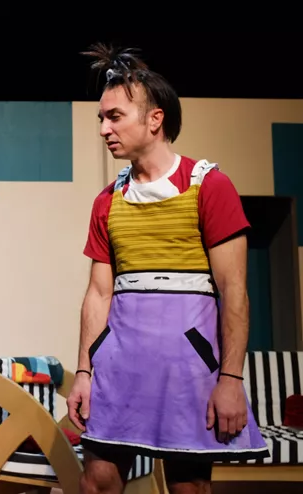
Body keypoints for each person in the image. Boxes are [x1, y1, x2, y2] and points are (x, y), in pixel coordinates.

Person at [66, 43, 269, 494]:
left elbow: (234, 290)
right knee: (97, 481)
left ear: (154, 119)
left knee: (188, 487)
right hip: (119, 370)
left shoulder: (210, 186)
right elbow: (98, 294)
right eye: (101, 118)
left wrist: (231, 379)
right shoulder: (107, 200)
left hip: (187, 372)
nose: (103, 129)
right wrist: (83, 373)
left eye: (114, 117)